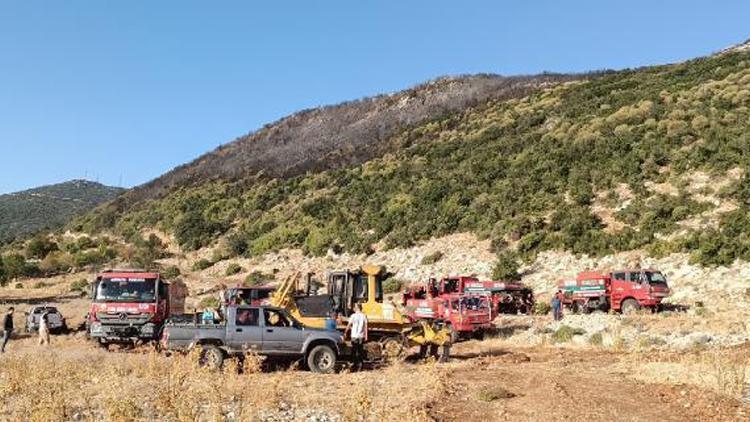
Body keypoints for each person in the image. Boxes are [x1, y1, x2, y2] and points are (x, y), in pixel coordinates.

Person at [344, 303, 368, 371]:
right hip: (361, 335)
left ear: (357, 308)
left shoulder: (353, 316)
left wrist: (345, 332)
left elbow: (349, 325)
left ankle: (354, 366)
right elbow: (365, 326)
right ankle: (360, 366)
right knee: (360, 351)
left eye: (354, 307)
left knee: (354, 351)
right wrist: (366, 336)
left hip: (354, 335)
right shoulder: (364, 316)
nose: (353, 308)